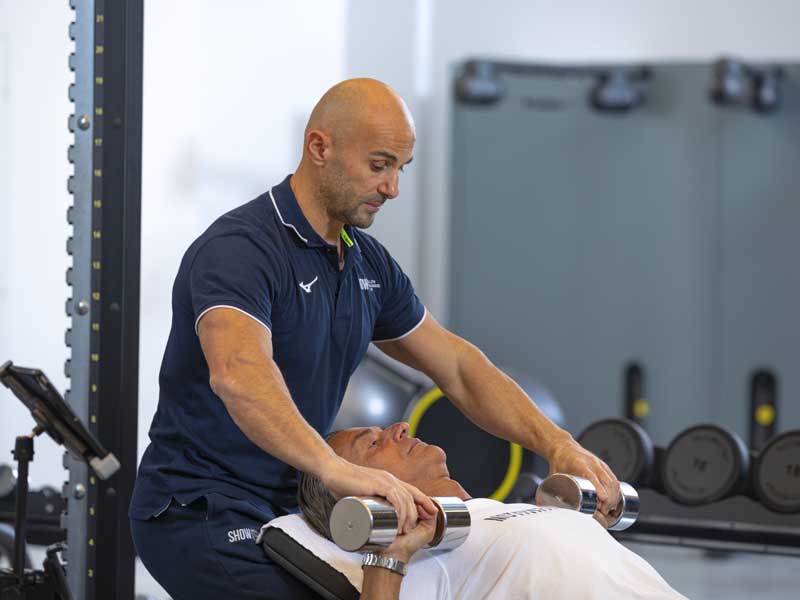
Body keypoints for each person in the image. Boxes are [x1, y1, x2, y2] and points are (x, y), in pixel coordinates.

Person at [129, 77, 620, 599]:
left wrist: (558, 446)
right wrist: (333, 467)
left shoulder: (365, 262)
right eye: (379, 165)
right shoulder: (240, 248)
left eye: (400, 169)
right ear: (320, 147)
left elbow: (456, 367)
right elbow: (238, 373)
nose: (392, 189)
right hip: (203, 507)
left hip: (293, 507)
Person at [294, 423, 687, 600]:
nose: (399, 427)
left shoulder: (498, 511)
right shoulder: (420, 554)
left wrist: (589, 526)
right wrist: (389, 559)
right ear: (362, 499)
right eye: (374, 443)